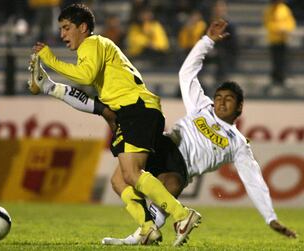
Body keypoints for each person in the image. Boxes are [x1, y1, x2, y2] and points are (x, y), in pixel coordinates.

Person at [28, 18, 297, 245]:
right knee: (120, 180)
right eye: (219, 96)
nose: (220, 101)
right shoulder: (202, 106)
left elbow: (254, 181)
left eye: (228, 99)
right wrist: (206, 41)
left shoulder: (238, 143)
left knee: (154, 184)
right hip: (164, 144)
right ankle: (153, 227)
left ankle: (151, 229)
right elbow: (186, 74)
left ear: (239, 108)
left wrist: (270, 217)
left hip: (180, 168)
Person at [30, 3, 199, 246]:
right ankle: (148, 228)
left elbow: (84, 77)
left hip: (137, 109)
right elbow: (89, 99)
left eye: (67, 28)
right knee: (119, 181)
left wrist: (49, 59)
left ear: (83, 27)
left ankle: (182, 215)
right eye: (61, 29)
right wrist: (48, 85)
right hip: (133, 111)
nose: (62, 35)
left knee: (132, 173)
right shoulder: (95, 50)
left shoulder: (93, 43)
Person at [263, 0, 296, 95]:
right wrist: (278, 29)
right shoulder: (268, 10)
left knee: (284, 60)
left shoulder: (285, 9)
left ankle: (283, 79)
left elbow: (291, 22)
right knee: (275, 61)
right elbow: (268, 24)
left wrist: (286, 28)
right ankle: (275, 79)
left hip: (284, 39)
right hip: (273, 40)